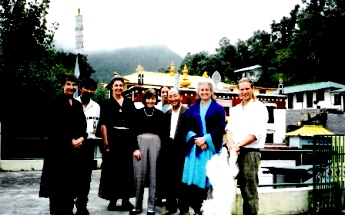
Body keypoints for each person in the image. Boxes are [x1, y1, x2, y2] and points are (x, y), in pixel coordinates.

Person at [39, 74, 87, 215]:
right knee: (57, 185)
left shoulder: (78, 105)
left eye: (74, 85)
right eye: (68, 84)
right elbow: (54, 127)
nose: (71, 87)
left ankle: (68, 210)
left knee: (71, 184)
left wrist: (82, 138)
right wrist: (70, 139)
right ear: (63, 85)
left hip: (75, 152)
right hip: (58, 151)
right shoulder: (55, 102)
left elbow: (83, 126)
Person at [179, 81, 226, 215]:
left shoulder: (218, 108)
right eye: (202, 90)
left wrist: (205, 139)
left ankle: (204, 209)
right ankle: (195, 208)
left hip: (209, 149)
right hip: (194, 148)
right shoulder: (193, 108)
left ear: (211, 91)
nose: (204, 92)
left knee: (205, 178)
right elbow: (187, 125)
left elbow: (220, 126)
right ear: (198, 92)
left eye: (207, 90)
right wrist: (196, 139)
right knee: (193, 178)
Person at [225, 77, 268, 215]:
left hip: (250, 153)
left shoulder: (259, 107)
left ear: (252, 88)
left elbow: (256, 133)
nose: (244, 92)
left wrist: (238, 145)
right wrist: (231, 145)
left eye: (247, 88)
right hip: (233, 152)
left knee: (249, 192)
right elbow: (229, 129)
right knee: (222, 186)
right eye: (241, 89)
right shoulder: (236, 109)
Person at [98, 75, 136, 211]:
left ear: (123, 87)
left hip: (126, 140)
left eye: (121, 85)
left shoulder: (130, 103)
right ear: (112, 87)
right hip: (113, 140)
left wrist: (134, 146)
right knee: (112, 171)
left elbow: (133, 125)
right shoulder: (106, 104)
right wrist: (106, 144)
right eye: (116, 85)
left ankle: (126, 200)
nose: (119, 88)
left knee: (127, 171)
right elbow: (103, 125)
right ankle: (112, 200)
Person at [131, 89, 165, 215]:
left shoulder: (160, 114)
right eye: (148, 98)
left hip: (156, 143)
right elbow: (132, 132)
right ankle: (137, 206)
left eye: (153, 98)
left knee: (153, 175)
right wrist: (135, 148)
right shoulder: (137, 113)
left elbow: (163, 134)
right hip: (140, 144)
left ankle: (151, 206)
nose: (150, 101)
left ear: (156, 100)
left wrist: (161, 149)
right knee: (139, 175)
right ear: (144, 99)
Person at [74, 78, 100, 215]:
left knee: (85, 178)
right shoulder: (73, 104)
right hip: (74, 145)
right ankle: (68, 204)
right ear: (81, 88)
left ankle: (81, 205)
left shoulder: (96, 107)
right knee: (72, 176)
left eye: (92, 89)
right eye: (86, 88)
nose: (89, 91)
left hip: (89, 144)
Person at [161, 88, 188, 215]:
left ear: (180, 97)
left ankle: (184, 208)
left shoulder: (187, 112)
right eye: (170, 96)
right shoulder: (166, 114)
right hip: (169, 150)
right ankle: (170, 207)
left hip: (182, 150)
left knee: (182, 180)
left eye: (175, 96)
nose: (172, 99)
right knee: (169, 179)